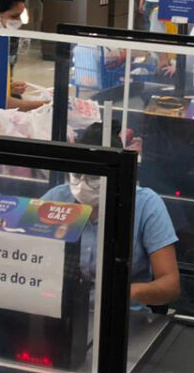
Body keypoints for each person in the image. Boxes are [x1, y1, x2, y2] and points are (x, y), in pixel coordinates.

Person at [41, 123, 179, 309]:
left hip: (120, 316)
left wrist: (127, 293)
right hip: (62, 311)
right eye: (77, 174)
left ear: (117, 172)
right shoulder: (56, 199)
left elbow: (170, 284)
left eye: (93, 178)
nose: (83, 184)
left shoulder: (146, 205)